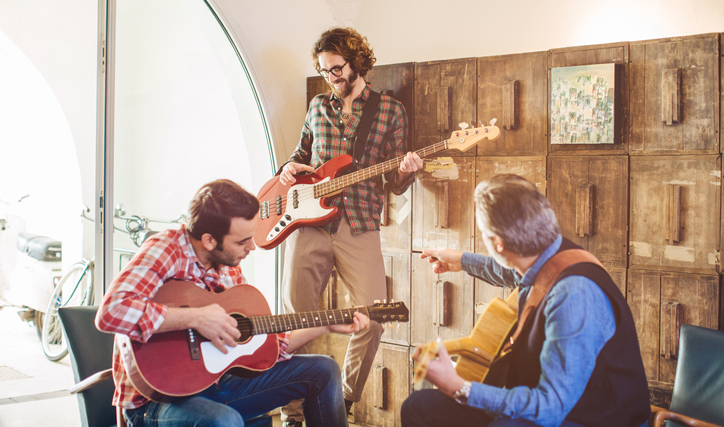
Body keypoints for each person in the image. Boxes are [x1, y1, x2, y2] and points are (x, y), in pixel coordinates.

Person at [95, 179, 370, 427]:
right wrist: (195, 319)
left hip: (217, 384)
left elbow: (266, 344)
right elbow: (111, 311)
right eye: (243, 240)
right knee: (225, 421)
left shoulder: (228, 264)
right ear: (209, 240)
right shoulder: (165, 250)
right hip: (157, 402)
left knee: (323, 370)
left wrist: (325, 326)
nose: (252, 247)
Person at [401, 174, 650, 427]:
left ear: (498, 243)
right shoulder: (550, 254)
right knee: (421, 407)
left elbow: (550, 408)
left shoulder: (573, 296)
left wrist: (460, 387)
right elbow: (514, 272)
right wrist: (461, 260)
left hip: (591, 419)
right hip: (556, 406)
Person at [279, 27, 423, 426]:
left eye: (337, 69)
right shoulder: (316, 107)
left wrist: (408, 171)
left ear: (356, 63)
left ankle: (342, 400)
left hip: (359, 224)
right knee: (297, 321)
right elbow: (300, 155)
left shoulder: (390, 111)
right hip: (308, 225)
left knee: (374, 317)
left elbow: (394, 182)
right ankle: (294, 413)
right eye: (325, 71)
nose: (331, 78)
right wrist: (288, 168)